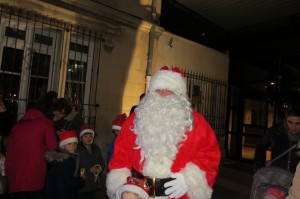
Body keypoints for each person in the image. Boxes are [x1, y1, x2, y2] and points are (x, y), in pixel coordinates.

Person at [106, 66, 221, 199]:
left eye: (169, 91)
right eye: (159, 90)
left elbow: (210, 155)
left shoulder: (197, 122)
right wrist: (123, 186)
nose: (163, 94)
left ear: (179, 95)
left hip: (180, 193)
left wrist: (189, 180)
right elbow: (120, 154)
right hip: (142, 191)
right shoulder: (135, 120)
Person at [5, 103, 57, 199]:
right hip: (34, 173)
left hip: (16, 174)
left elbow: (9, 149)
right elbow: (51, 148)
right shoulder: (46, 123)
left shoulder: (17, 125)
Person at [254, 107, 300, 173]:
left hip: (296, 178)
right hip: (276, 176)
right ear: (285, 120)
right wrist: (259, 168)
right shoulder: (274, 132)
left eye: (297, 124)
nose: (293, 127)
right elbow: (260, 146)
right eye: (290, 122)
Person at [45, 130, 85, 199]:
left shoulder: (70, 157)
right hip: (63, 193)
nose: (73, 146)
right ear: (63, 146)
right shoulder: (65, 160)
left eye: (75, 144)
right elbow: (69, 181)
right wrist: (81, 181)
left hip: (59, 192)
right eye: (69, 144)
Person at [77, 125, 104, 199]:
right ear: (81, 138)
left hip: (94, 183)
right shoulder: (77, 150)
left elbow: (101, 161)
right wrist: (88, 170)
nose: (89, 138)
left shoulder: (96, 148)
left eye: (91, 136)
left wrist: (99, 168)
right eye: (86, 136)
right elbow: (75, 169)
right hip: (82, 185)